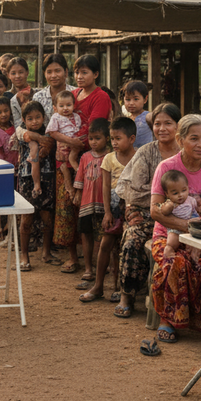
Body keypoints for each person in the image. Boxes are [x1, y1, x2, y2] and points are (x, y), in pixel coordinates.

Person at [148, 113, 201, 340]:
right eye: (194, 138)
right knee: (176, 263)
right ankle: (168, 320)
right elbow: (155, 210)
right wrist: (186, 227)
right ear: (180, 139)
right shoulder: (167, 167)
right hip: (169, 236)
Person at [114, 102, 182, 318]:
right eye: (157, 124)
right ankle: (127, 295)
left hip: (182, 216)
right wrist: (161, 200)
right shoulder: (146, 152)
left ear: (179, 126)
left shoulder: (185, 153)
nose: (161, 129)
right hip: (146, 213)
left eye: (168, 123)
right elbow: (132, 190)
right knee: (133, 240)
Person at [53, 55, 112, 274]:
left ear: (96, 74)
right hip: (68, 158)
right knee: (69, 208)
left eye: (85, 72)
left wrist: (66, 141)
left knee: (90, 211)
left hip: (91, 160)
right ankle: (75, 258)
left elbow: (93, 130)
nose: (79, 76)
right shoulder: (74, 95)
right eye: (77, 72)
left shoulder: (101, 97)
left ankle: (97, 262)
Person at [80, 116, 137, 304]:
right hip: (113, 206)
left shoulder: (139, 158)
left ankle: (119, 288)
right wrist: (107, 212)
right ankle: (98, 286)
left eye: (118, 138)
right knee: (106, 245)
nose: (114, 142)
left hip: (133, 207)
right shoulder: (109, 159)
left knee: (123, 249)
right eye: (112, 138)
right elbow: (105, 187)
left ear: (132, 138)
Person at [16, 100, 57, 270]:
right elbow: (27, 136)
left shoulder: (50, 131)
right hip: (27, 179)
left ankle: (46, 252)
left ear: (43, 117)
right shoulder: (21, 133)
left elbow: (50, 143)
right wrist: (40, 140)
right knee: (27, 218)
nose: (35, 121)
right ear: (24, 120)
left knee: (48, 216)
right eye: (30, 118)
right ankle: (24, 255)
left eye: (38, 117)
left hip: (47, 176)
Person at [73, 118, 110, 284]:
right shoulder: (85, 157)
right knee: (86, 235)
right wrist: (77, 194)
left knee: (103, 237)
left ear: (107, 139)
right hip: (87, 203)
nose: (93, 142)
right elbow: (80, 177)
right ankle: (88, 268)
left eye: (98, 138)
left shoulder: (110, 156)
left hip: (104, 204)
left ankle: (102, 266)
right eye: (91, 138)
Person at [155, 170, 200, 259]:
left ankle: (194, 254)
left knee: (196, 240)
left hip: (189, 228)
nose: (180, 195)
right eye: (175, 193)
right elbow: (164, 212)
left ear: (188, 188)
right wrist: (169, 206)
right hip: (175, 228)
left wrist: (197, 217)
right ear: (167, 194)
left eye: (184, 190)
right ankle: (169, 249)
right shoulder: (170, 203)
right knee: (172, 238)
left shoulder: (191, 200)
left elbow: (195, 211)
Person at [48, 90, 83, 174]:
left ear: (74, 105)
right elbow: (52, 132)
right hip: (63, 148)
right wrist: (69, 140)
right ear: (55, 108)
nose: (65, 108)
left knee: (74, 159)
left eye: (68, 105)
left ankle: (78, 173)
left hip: (76, 147)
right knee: (64, 169)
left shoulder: (77, 116)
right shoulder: (56, 117)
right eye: (61, 106)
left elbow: (79, 129)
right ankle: (77, 174)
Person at [121, 80, 152, 149]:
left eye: (136, 99)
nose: (131, 103)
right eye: (128, 99)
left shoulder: (148, 117)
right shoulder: (126, 119)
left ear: (145, 99)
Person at [0, 96, 18, 167]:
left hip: (20, 167)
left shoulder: (17, 127)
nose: (3, 114)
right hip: (6, 168)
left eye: (6, 111)